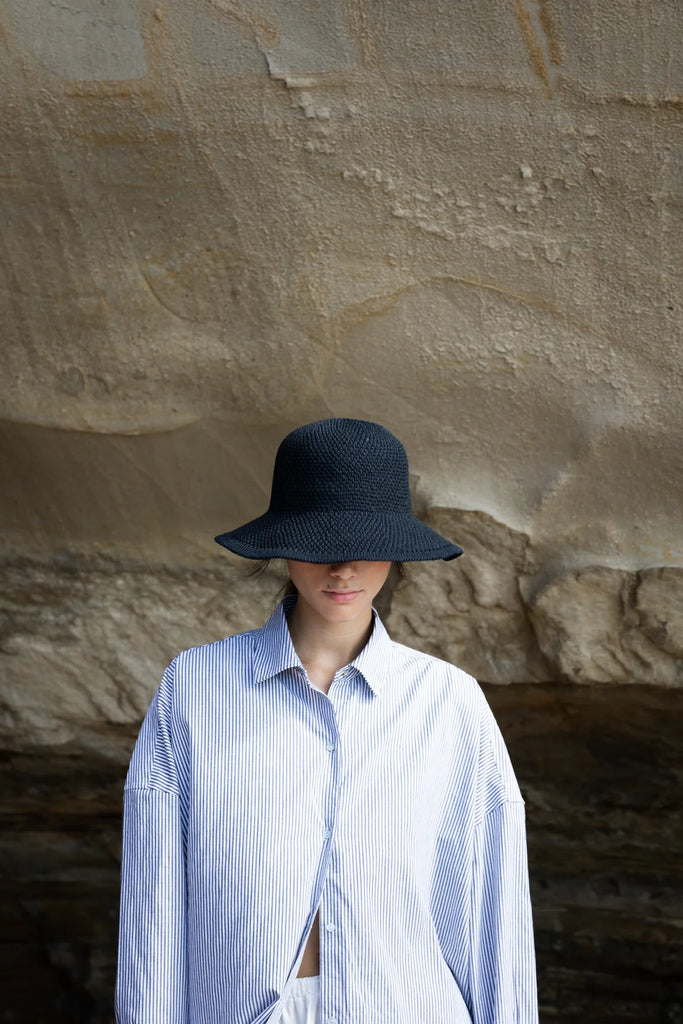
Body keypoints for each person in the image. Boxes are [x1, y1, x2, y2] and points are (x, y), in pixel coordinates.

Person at [115, 417, 538, 1024]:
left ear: (396, 547)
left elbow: (497, 913)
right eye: (319, 542)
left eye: (365, 542)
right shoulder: (195, 690)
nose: (342, 568)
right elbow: (153, 900)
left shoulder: (449, 702)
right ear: (284, 541)